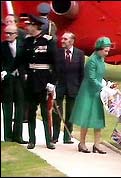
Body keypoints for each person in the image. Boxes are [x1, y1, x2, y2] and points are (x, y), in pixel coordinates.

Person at [69, 36, 112, 154]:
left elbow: (99, 76)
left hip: (97, 91)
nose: (107, 53)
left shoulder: (101, 59)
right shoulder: (92, 60)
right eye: (105, 51)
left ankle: (97, 144)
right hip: (88, 92)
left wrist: (106, 84)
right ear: (99, 49)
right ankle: (82, 142)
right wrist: (103, 87)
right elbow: (91, 78)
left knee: (98, 118)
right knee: (86, 118)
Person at [22, 14, 57, 149]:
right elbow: (23, 60)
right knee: (31, 111)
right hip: (31, 80)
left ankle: (48, 140)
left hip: (44, 80)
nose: (27, 27)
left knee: (45, 112)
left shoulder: (48, 41)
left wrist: (52, 82)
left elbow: (55, 65)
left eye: (29, 25)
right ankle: (32, 140)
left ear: (35, 26)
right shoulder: (28, 41)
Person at [52, 31, 85, 144]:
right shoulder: (58, 53)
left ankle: (67, 136)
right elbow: (53, 70)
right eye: (62, 39)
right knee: (56, 112)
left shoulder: (79, 54)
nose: (62, 41)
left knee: (70, 113)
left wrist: (80, 89)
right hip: (59, 86)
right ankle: (55, 136)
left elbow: (82, 73)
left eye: (65, 39)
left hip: (73, 88)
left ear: (71, 41)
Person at [1, 24, 28, 144]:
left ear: (16, 34)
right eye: (6, 33)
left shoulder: (23, 45)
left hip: (20, 80)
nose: (7, 35)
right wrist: (3, 73)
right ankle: (8, 136)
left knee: (20, 108)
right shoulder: (2, 46)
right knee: (7, 108)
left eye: (10, 33)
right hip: (7, 80)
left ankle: (18, 136)